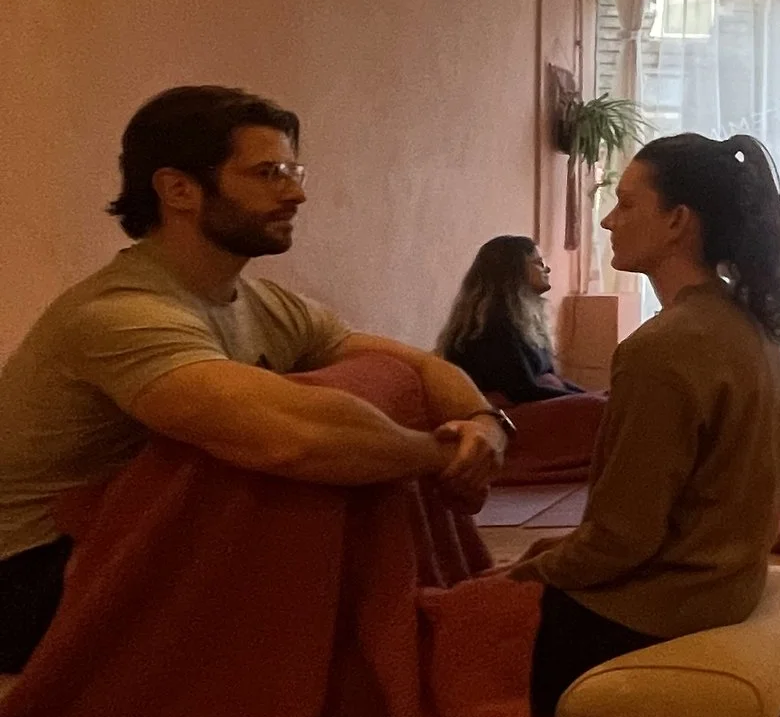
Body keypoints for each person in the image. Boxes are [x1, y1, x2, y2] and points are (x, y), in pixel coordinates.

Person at [0, 86, 508, 675]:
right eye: (268, 173)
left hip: (122, 545)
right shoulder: (121, 312)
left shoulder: (261, 302)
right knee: (290, 451)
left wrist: (483, 423)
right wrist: (442, 457)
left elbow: (415, 365)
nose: (295, 193)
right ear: (179, 190)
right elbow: (292, 439)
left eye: (293, 170)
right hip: (30, 578)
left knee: (374, 383)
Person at [510, 133, 780, 714]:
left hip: (665, 608)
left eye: (627, 204)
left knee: (445, 629)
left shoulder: (661, 349)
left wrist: (523, 577)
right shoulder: (744, 323)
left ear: (677, 222)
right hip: (727, 588)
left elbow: (622, 541)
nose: (610, 220)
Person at [440, 234, 585, 404]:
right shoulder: (494, 325)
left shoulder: (523, 320)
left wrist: (595, 396)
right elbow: (523, 392)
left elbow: (552, 380)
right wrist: (585, 401)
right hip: (511, 416)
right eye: (538, 263)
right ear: (514, 271)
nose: (547, 269)